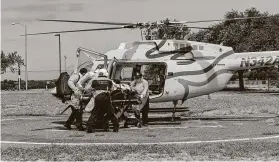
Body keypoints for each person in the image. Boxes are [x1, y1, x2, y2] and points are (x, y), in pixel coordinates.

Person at [86, 68, 119, 133]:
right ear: (105, 74)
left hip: (97, 98)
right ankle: (115, 127)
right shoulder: (109, 81)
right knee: (111, 112)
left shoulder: (94, 80)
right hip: (106, 97)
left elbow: (87, 89)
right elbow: (113, 89)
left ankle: (90, 126)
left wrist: (91, 93)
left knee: (94, 112)